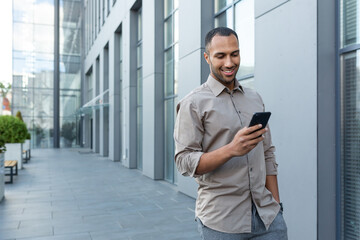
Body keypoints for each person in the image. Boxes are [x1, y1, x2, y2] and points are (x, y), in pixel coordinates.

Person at [173, 27, 288, 240]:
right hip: (222, 223)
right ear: (207, 57)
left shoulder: (254, 98)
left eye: (234, 54)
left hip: (268, 219)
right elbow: (183, 161)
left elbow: (268, 153)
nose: (229, 62)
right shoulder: (193, 103)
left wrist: (276, 206)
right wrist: (231, 150)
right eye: (220, 56)